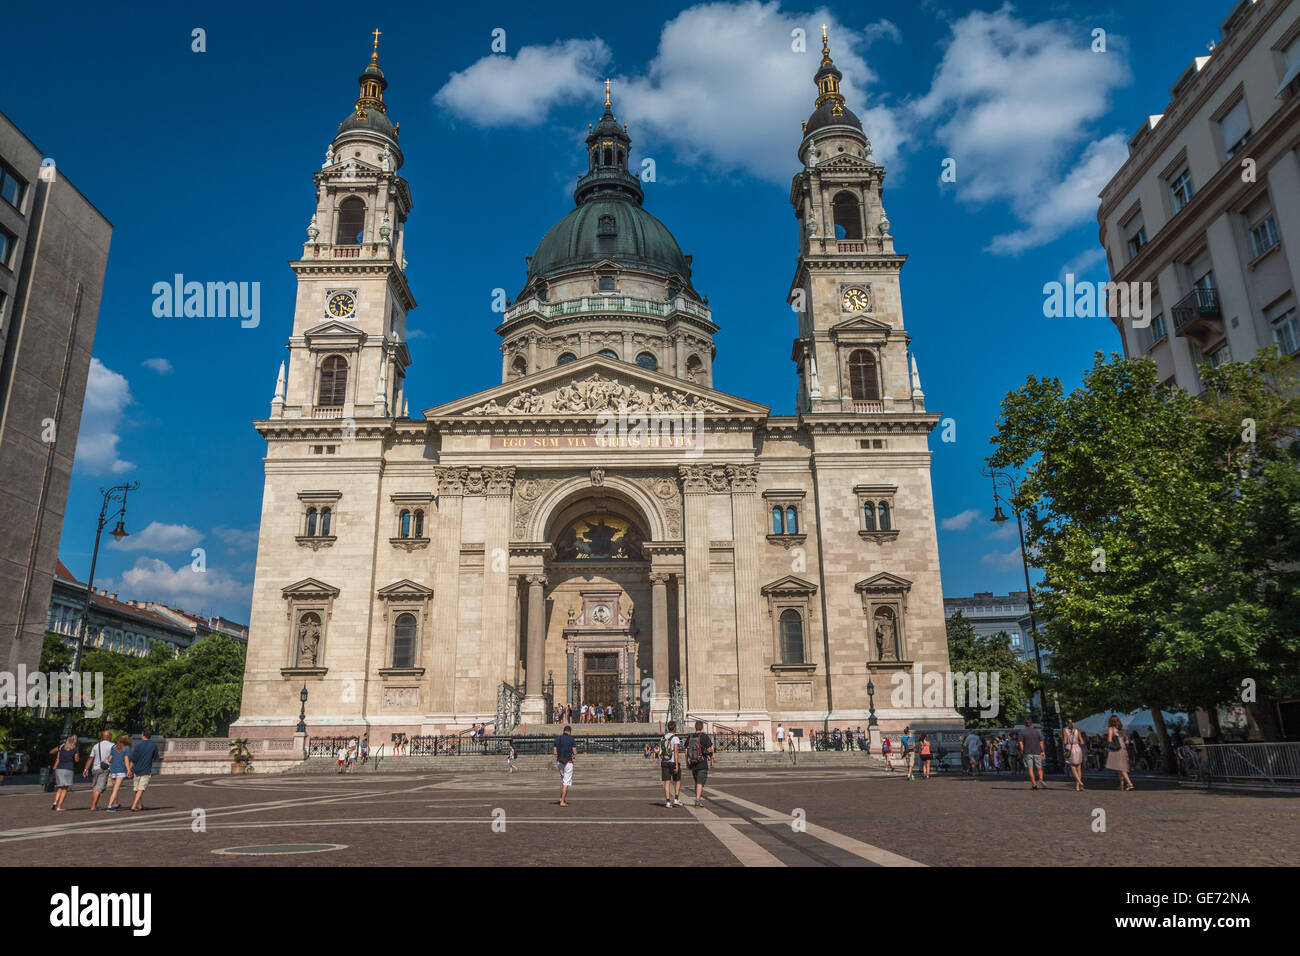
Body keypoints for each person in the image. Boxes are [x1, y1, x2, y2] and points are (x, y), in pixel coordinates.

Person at [82, 729, 114, 811]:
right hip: (104, 769)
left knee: (95, 787)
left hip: (95, 768)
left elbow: (90, 758)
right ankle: (93, 806)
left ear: (103, 737)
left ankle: (94, 805)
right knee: (99, 788)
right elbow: (113, 758)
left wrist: (86, 769)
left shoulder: (96, 745)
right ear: (109, 736)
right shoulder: (112, 746)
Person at [129, 730, 159, 811]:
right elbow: (156, 758)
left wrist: (129, 770)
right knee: (141, 789)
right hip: (145, 770)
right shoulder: (153, 746)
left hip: (136, 769)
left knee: (137, 789)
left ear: (143, 735)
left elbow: (133, 759)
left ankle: (140, 805)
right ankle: (134, 805)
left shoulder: (138, 746)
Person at [686, 720, 714, 807]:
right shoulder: (704, 736)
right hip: (702, 762)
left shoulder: (690, 736)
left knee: (697, 782)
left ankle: (697, 798)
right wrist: (712, 760)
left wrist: (687, 762)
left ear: (695, 727)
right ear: (702, 727)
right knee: (700, 783)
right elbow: (710, 749)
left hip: (693, 762)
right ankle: (697, 800)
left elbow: (686, 751)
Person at [49, 735, 78, 811]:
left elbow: (51, 751)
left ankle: (55, 802)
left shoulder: (61, 747)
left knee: (59, 787)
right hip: (68, 769)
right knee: (65, 789)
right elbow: (76, 760)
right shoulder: (75, 749)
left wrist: (59, 752)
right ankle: (59, 807)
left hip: (59, 769)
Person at [104, 733, 132, 811]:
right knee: (116, 789)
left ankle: (115, 804)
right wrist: (129, 770)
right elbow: (126, 760)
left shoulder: (114, 748)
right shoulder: (126, 748)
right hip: (121, 770)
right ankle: (109, 806)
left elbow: (109, 759)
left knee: (114, 788)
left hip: (113, 770)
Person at [1106, 715, 1135, 791]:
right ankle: (1121, 784)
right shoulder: (1121, 730)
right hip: (1123, 748)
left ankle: (1129, 783)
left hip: (1116, 749)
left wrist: (1111, 741)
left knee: (1121, 767)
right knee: (1119, 767)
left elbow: (1109, 740)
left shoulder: (1111, 728)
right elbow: (1127, 741)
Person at [1019, 717, 1046, 790]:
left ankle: (1034, 784)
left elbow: (1021, 743)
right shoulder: (1037, 732)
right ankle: (1040, 778)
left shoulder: (1022, 732)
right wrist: (1043, 751)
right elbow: (1041, 742)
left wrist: (1022, 751)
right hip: (1037, 751)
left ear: (1025, 724)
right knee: (1039, 767)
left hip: (1027, 752)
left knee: (1030, 769)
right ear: (1031, 723)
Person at [553, 724, 576, 806]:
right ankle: (562, 801)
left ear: (563, 731)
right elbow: (575, 752)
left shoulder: (557, 739)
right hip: (568, 762)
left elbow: (555, 752)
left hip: (560, 762)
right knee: (566, 782)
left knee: (563, 781)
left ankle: (561, 798)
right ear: (569, 731)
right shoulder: (571, 739)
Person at [661, 720, 682, 808]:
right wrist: (676, 765)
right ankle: (676, 799)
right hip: (673, 761)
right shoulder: (675, 738)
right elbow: (676, 752)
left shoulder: (663, 738)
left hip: (664, 761)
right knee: (677, 780)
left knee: (667, 782)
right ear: (674, 728)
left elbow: (661, 751)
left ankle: (668, 802)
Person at [1062, 718, 1085, 792]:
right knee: (1079, 767)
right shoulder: (1077, 731)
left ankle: (1080, 783)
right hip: (1077, 748)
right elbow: (1082, 742)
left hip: (1069, 748)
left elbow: (1065, 742)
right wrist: (1076, 741)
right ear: (1073, 723)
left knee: (1072, 767)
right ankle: (1078, 785)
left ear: (1066, 724)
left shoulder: (1065, 731)